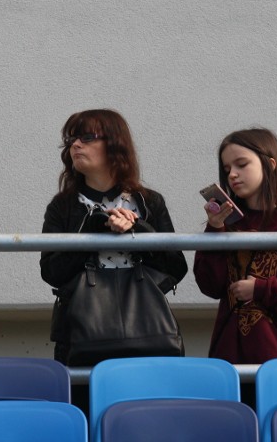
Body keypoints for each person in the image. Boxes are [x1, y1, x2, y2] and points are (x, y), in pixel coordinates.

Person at [40, 109, 188, 408]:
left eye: (87, 137)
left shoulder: (149, 202)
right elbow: (51, 272)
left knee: (148, 417)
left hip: (147, 330)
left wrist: (139, 230)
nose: (75, 146)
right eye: (71, 139)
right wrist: (92, 234)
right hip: (82, 334)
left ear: (115, 144)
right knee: (85, 417)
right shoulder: (63, 206)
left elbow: (176, 268)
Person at [193, 127, 277, 406]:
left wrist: (260, 289)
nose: (232, 175)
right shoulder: (228, 222)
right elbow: (209, 284)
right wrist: (214, 231)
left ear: (270, 164)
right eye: (227, 168)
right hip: (229, 363)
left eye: (242, 164)